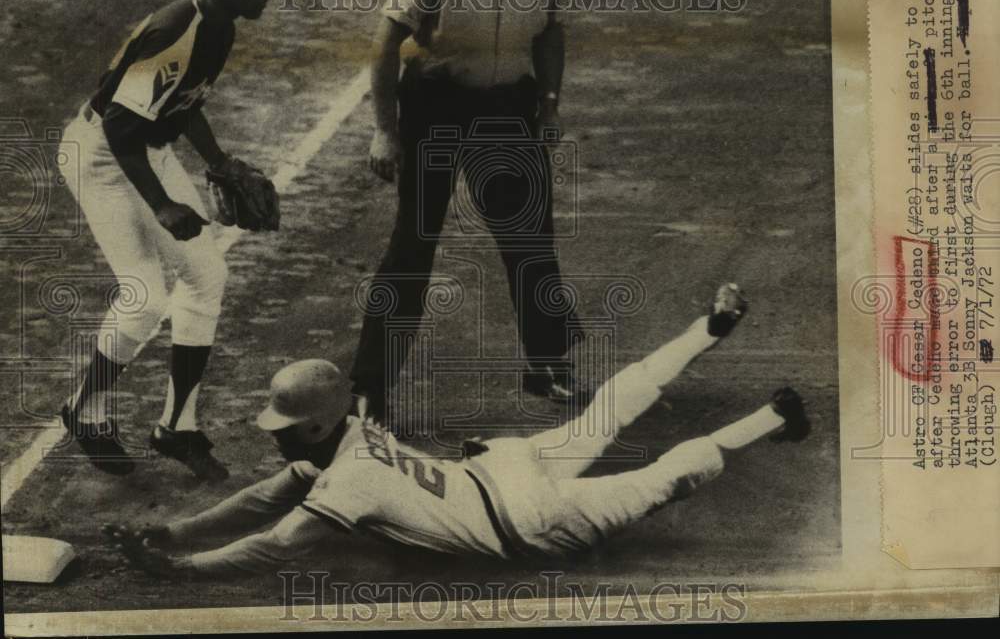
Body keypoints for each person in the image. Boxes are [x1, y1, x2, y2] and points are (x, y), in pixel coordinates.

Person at [105, 284, 812, 575]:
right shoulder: (354, 434)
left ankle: (772, 418)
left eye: (285, 425)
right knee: (610, 410)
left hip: (534, 521)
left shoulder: (343, 473)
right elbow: (265, 496)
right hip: (504, 469)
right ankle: (708, 331)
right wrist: (178, 530)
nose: (276, 435)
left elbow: (274, 540)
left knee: (662, 476)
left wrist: (184, 565)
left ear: (319, 422)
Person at [356, 0, 581, 419]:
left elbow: (550, 31)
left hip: (508, 107)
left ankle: (547, 363)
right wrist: (386, 130)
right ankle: (371, 390)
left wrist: (549, 106)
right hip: (438, 107)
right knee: (413, 246)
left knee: (530, 237)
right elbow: (385, 47)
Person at [57, 0, 281, 480]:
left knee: (207, 273)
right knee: (144, 295)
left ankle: (177, 427)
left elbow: (184, 105)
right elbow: (120, 128)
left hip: (144, 148)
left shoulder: (220, 25)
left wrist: (218, 161)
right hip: (102, 158)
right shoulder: (176, 32)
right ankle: (86, 412)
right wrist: (160, 205)